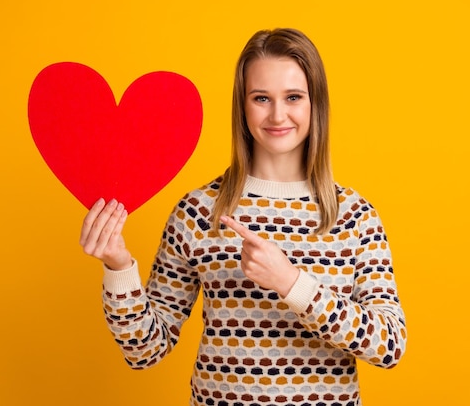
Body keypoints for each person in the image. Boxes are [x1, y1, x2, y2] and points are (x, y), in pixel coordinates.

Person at [80, 28, 406, 406]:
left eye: (294, 97)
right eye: (261, 98)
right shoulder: (199, 211)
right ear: (242, 106)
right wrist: (118, 266)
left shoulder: (354, 216)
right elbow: (146, 349)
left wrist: (291, 282)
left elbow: (389, 345)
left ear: (315, 104)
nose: (277, 114)